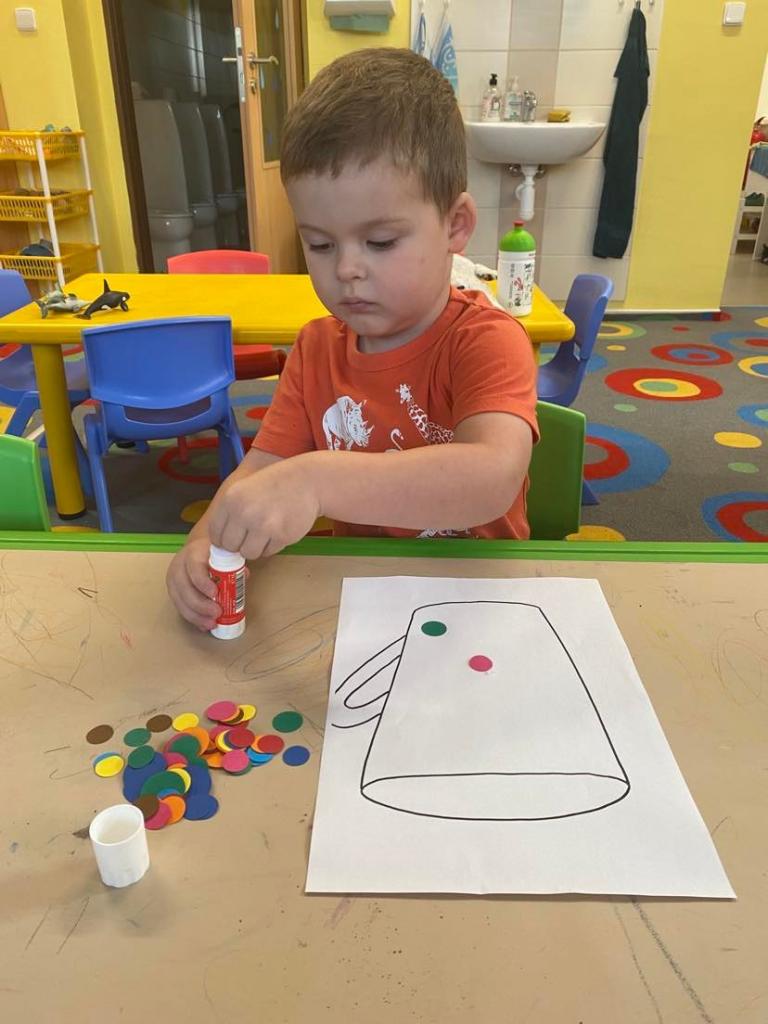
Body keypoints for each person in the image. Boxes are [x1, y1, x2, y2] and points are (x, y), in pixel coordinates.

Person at [167, 47, 538, 631]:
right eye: (319, 244)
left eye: (381, 242)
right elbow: (261, 468)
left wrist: (315, 480)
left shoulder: (485, 340)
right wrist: (204, 543)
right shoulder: (315, 349)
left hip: (478, 600)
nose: (346, 270)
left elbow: (491, 479)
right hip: (364, 600)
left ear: (455, 225)